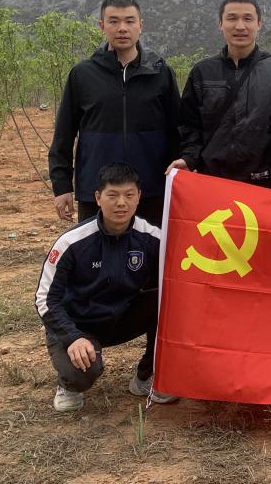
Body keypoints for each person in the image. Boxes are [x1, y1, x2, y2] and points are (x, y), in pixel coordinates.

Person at [35, 163, 177, 411]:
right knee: (82, 373)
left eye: (129, 195)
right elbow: (45, 299)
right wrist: (72, 337)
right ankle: (69, 384)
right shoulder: (72, 242)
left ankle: (147, 376)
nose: (121, 203)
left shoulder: (153, 238)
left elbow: (182, 275)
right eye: (113, 195)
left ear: (139, 197)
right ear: (98, 198)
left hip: (121, 318)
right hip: (78, 324)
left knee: (172, 302)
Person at [48, 0, 180, 226]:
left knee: (149, 248)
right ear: (102, 26)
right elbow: (64, 134)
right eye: (113, 21)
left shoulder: (161, 74)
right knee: (95, 248)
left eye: (129, 21)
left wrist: (178, 182)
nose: (122, 28)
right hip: (97, 191)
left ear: (141, 25)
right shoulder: (83, 74)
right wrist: (62, 186)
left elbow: (177, 132)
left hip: (150, 190)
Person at [168, 0, 271, 189]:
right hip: (213, 182)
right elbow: (189, 126)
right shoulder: (202, 72)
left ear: (259, 24)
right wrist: (189, 159)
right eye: (232, 18)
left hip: (264, 184)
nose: (240, 26)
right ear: (220, 23)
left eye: (248, 18)